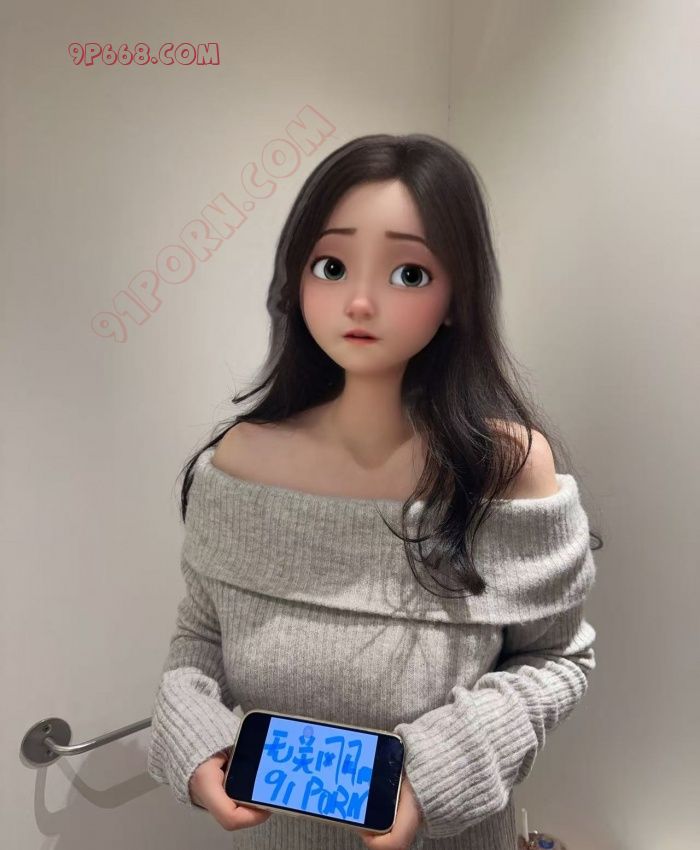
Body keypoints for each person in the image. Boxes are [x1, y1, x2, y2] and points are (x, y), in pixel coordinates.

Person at [146, 133, 599, 849]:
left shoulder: (507, 470)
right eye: (331, 266)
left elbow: (557, 659)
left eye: (408, 274)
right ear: (296, 280)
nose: (359, 301)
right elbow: (201, 637)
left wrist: (436, 773)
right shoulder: (242, 462)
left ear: (456, 297)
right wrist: (196, 741)